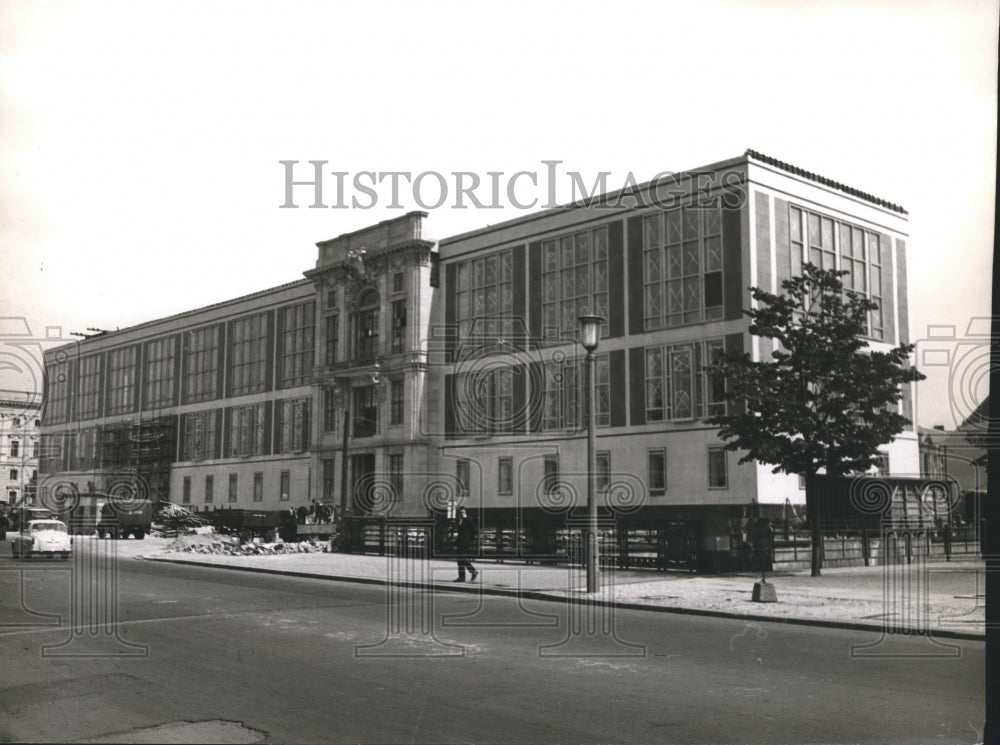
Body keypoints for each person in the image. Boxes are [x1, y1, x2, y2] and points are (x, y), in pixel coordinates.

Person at [453, 507, 479, 582]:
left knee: (462, 558)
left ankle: (473, 571)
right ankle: (461, 577)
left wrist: (470, 539)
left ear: (465, 512)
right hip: (459, 542)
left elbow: (474, 530)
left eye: (463, 512)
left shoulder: (468, 519)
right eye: (461, 512)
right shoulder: (459, 520)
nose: (462, 514)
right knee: (459, 560)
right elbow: (460, 532)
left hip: (465, 542)